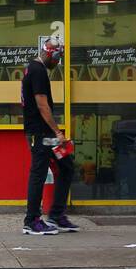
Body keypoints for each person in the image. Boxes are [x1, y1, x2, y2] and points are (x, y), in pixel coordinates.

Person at [20, 39, 78, 235]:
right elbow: (42, 105)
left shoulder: (35, 68)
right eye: (57, 58)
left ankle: (56, 215)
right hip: (40, 133)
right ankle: (32, 220)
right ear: (49, 54)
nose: (57, 62)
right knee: (39, 172)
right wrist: (58, 132)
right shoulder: (37, 70)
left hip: (45, 133)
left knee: (66, 166)